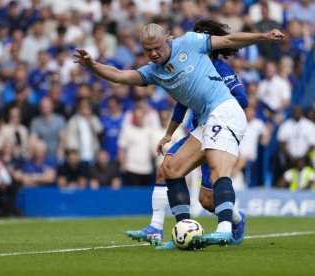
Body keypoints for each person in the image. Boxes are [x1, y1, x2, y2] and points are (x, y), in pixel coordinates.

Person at [74, 20, 283, 248]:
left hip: (225, 111)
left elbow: (229, 40)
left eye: (157, 48)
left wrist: (264, 36)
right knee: (171, 169)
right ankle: (185, 231)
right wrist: (92, 65)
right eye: (148, 50)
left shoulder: (190, 42)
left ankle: (225, 228)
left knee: (217, 170)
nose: (153, 54)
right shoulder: (153, 72)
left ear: (167, 39)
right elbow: (119, 75)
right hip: (204, 121)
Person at [125, 19, 249, 249]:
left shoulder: (219, 68)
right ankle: (162, 228)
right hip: (199, 130)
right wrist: (169, 133)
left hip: (220, 125)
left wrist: (217, 111)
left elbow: (242, 99)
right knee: (168, 168)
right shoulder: (184, 65)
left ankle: (235, 220)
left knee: (207, 199)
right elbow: (182, 103)